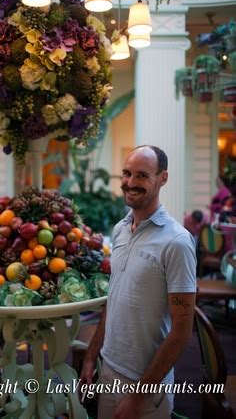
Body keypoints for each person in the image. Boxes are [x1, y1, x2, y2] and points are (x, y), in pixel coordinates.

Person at [80, 145, 197, 419]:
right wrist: (90, 355)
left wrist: (137, 397)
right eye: (126, 173)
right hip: (108, 367)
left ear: (162, 179)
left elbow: (182, 332)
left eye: (142, 175)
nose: (130, 183)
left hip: (145, 385)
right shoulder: (120, 229)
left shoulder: (177, 242)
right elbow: (115, 297)